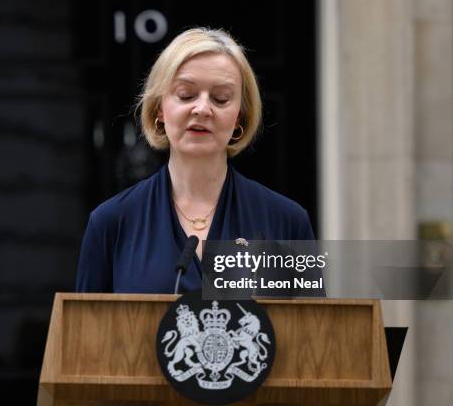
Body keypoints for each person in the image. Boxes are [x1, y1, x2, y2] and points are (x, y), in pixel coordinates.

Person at [76, 28, 316, 294]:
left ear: (239, 116)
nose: (202, 109)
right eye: (186, 95)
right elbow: (85, 331)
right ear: (159, 109)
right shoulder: (111, 222)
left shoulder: (288, 221)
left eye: (221, 98)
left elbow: (313, 332)